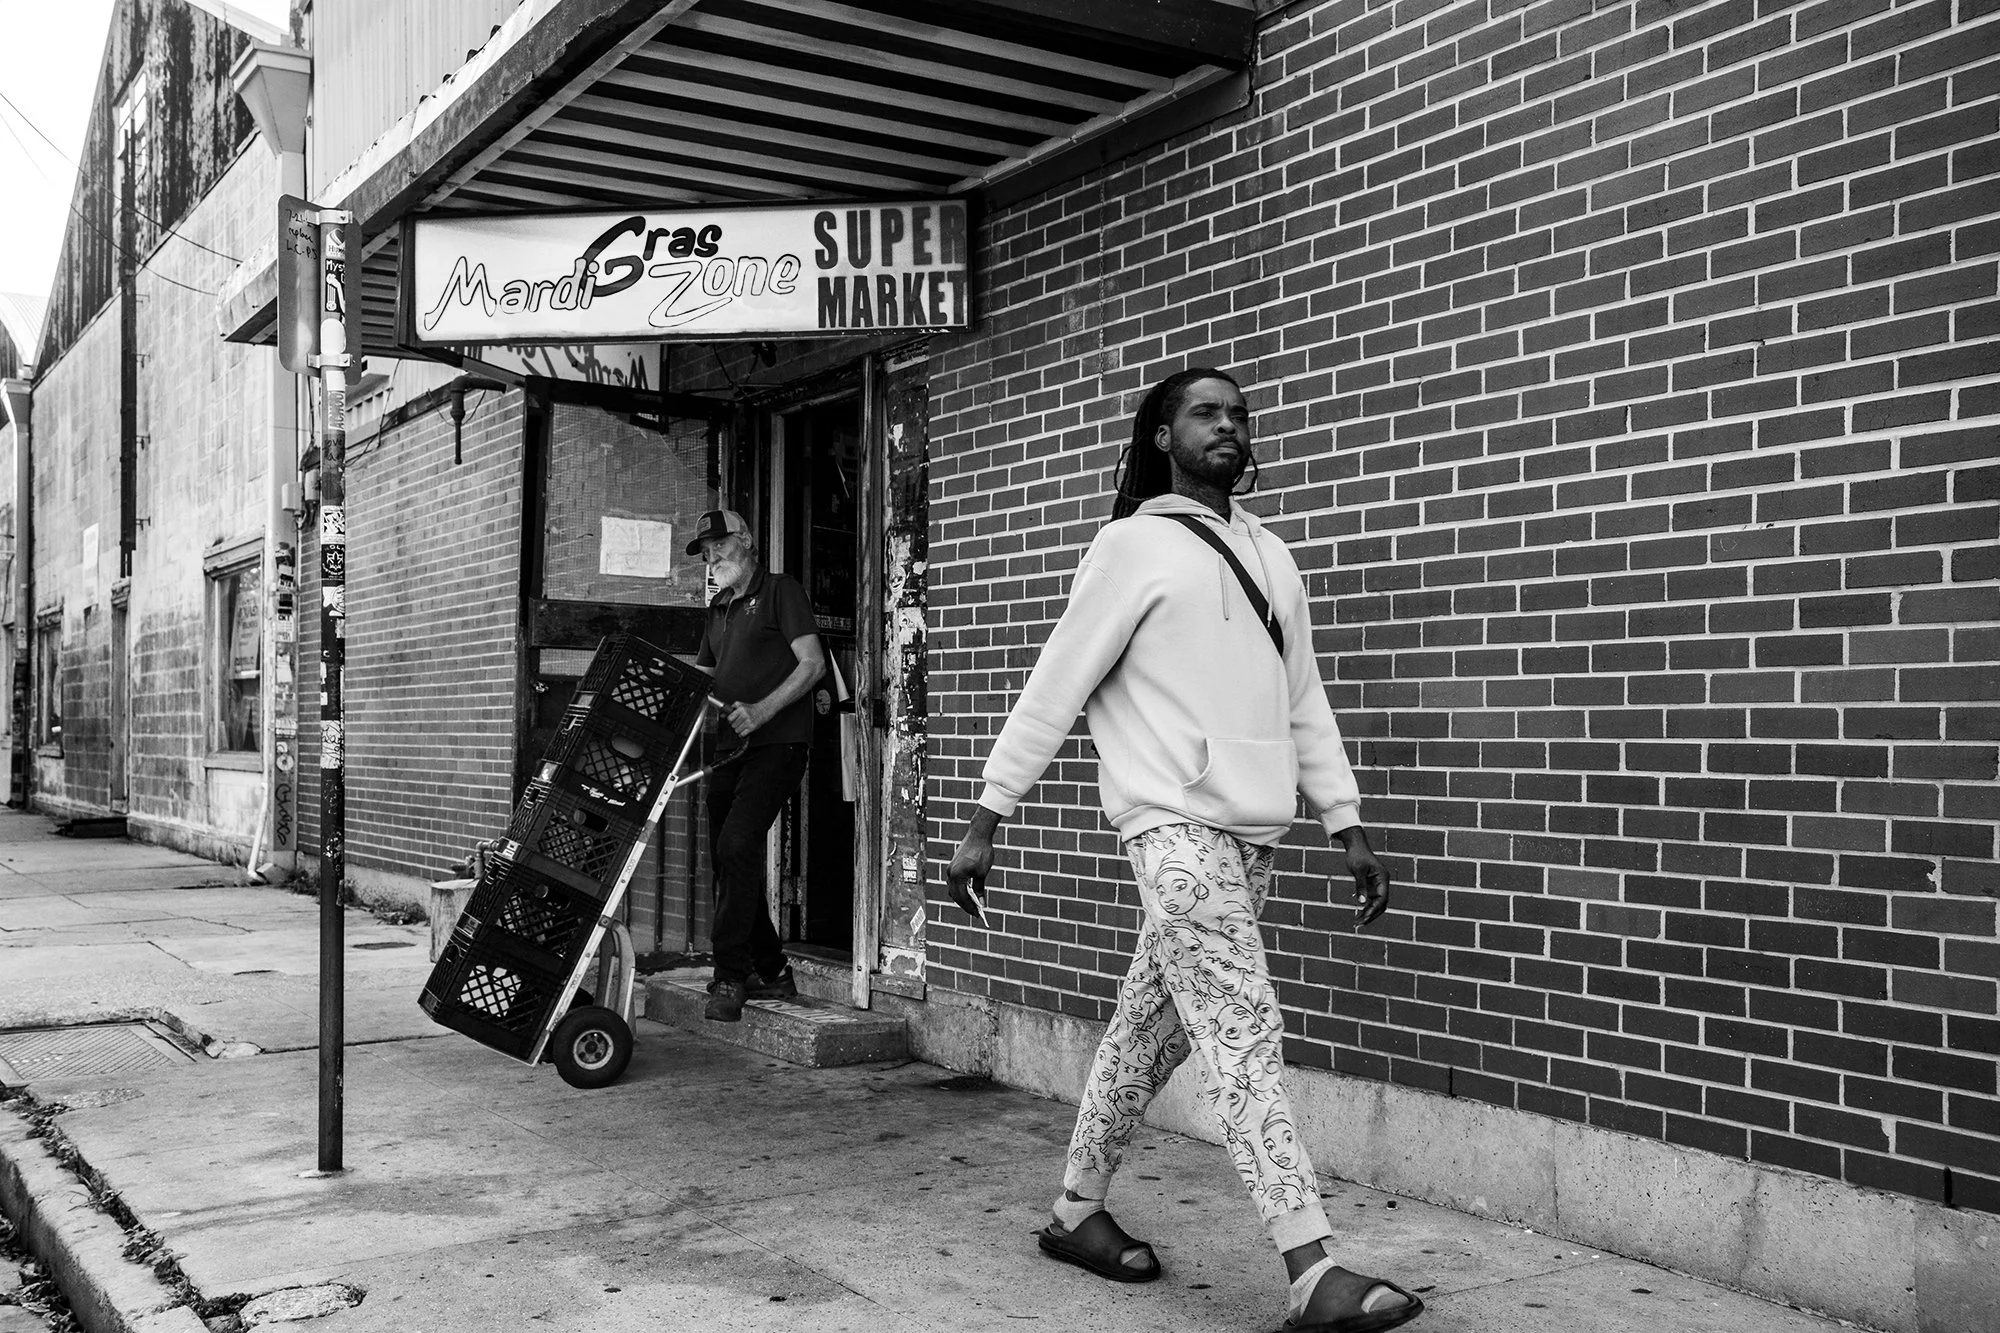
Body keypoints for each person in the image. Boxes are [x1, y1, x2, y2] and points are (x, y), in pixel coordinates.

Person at [946, 370, 1423, 1333]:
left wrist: (1346, 822)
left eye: (1240, 414)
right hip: (1169, 829)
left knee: (1147, 1032)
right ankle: (1310, 1262)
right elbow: (1057, 680)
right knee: (1243, 1032)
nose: (1230, 426)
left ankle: (1074, 1210)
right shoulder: (1130, 549)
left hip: (1254, 837)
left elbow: (1304, 703)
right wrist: (989, 811)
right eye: (1207, 412)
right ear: (1162, 434)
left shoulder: (1272, 555)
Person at [688, 508, 825, 1022]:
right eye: (705, 552)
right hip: (729, 749)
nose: (711, 558)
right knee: (729, 858)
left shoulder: (780, 591)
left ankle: (731, 974)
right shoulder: (718, 609)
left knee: (737, 843)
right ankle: (772, 969)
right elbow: (699, 681)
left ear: (745, 541)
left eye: (719, 546)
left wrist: (764, 709)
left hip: (779, 745)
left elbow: (811, 664)